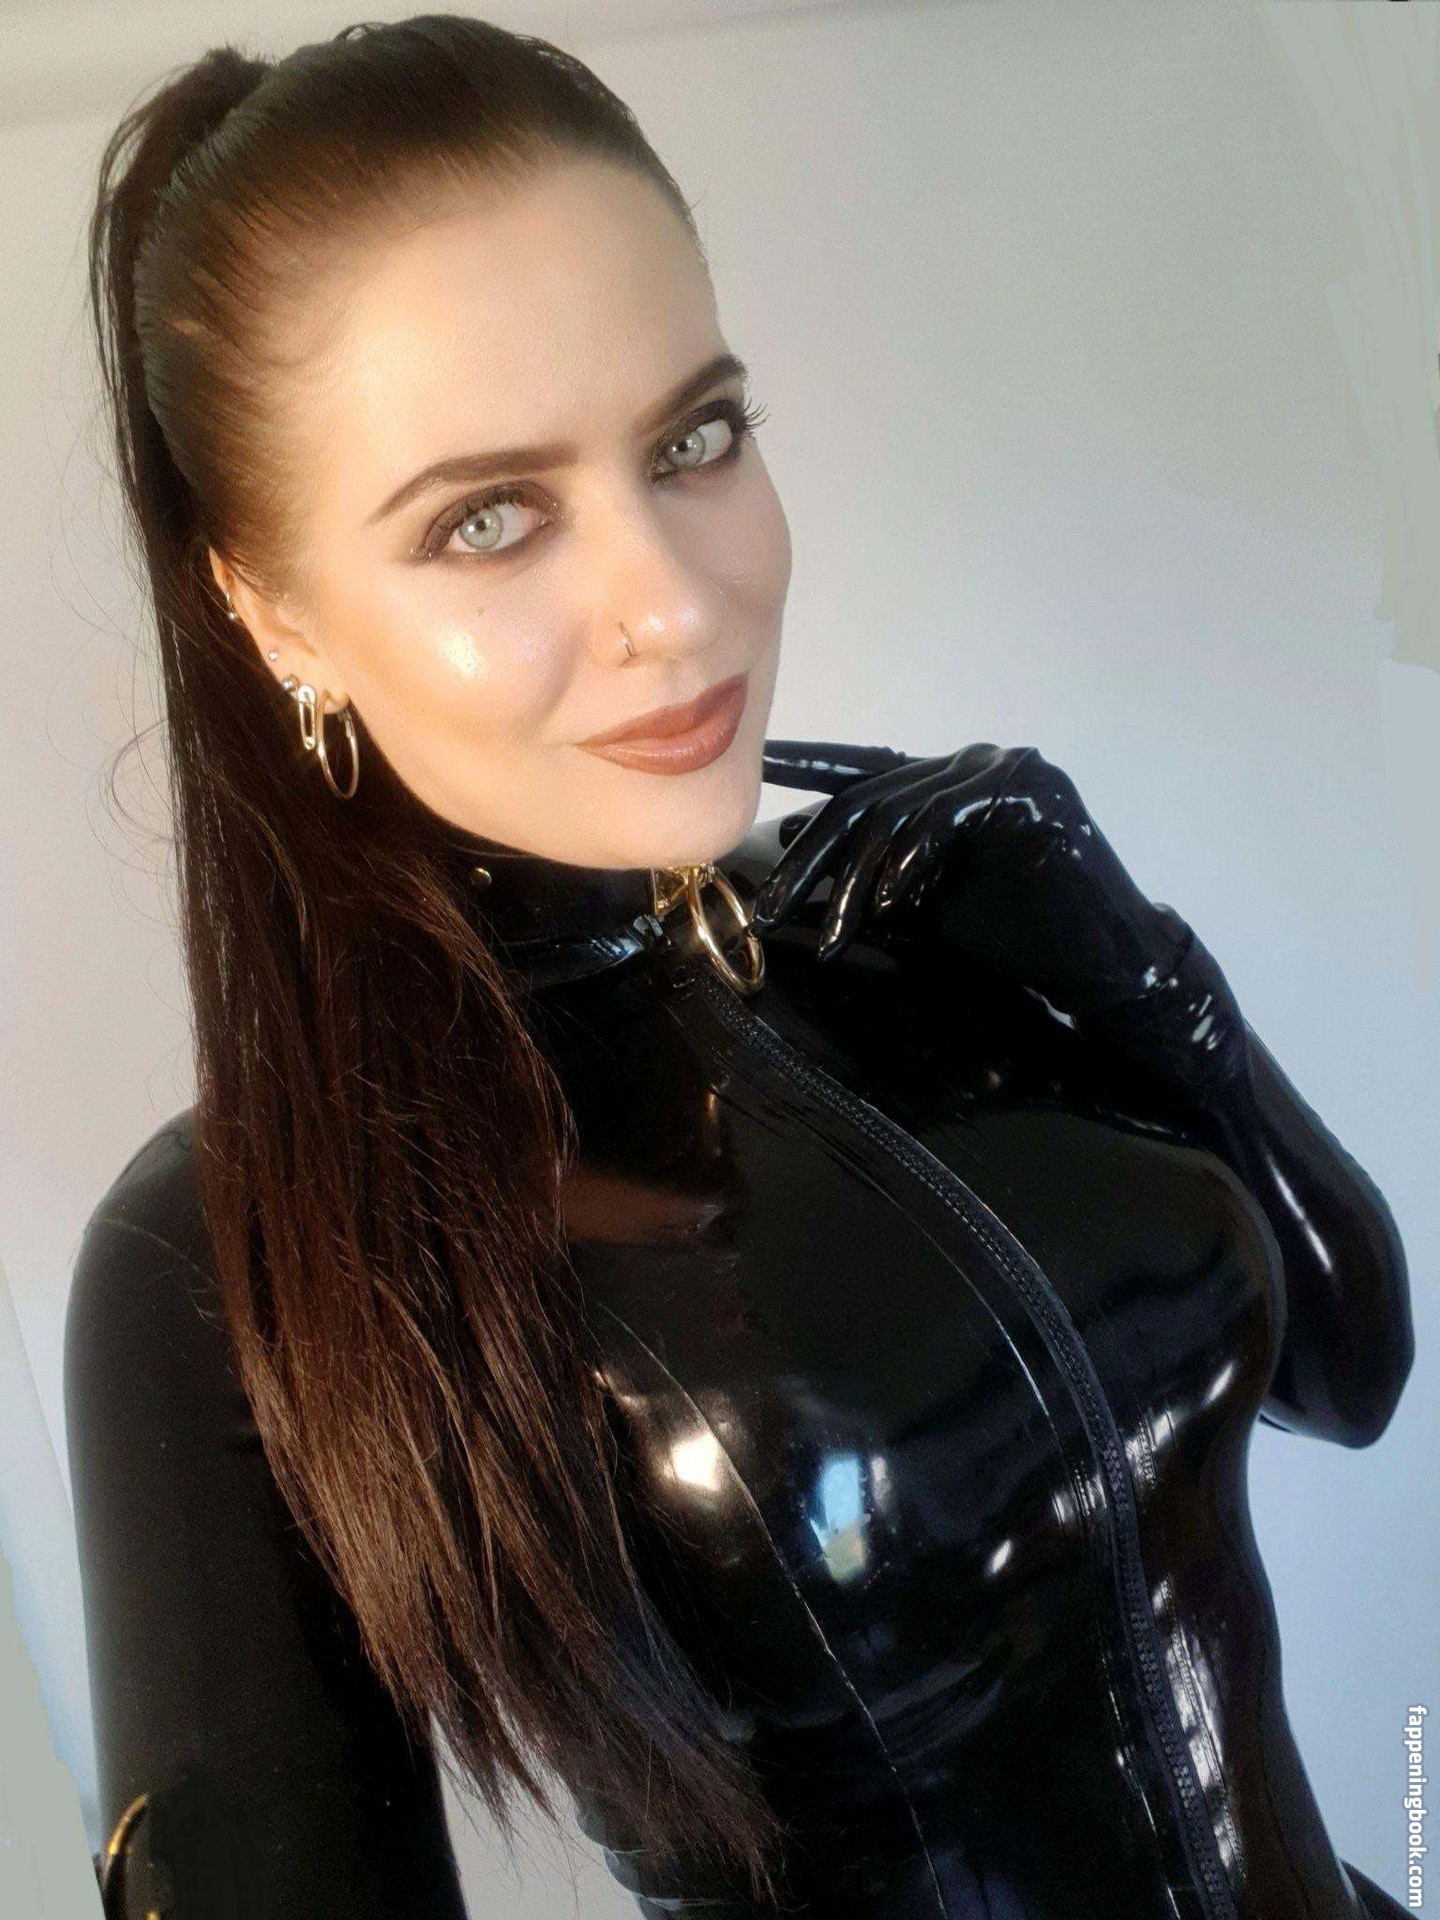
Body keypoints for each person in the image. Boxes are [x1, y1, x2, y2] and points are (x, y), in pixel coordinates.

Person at [64, 16, 1414, 1919]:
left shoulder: (912, 918)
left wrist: (1142, 972)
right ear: (271, 609)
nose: (676, 605)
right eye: (487, 520)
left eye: (693, 440)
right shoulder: (233, 1244)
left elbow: (1352, 1368)